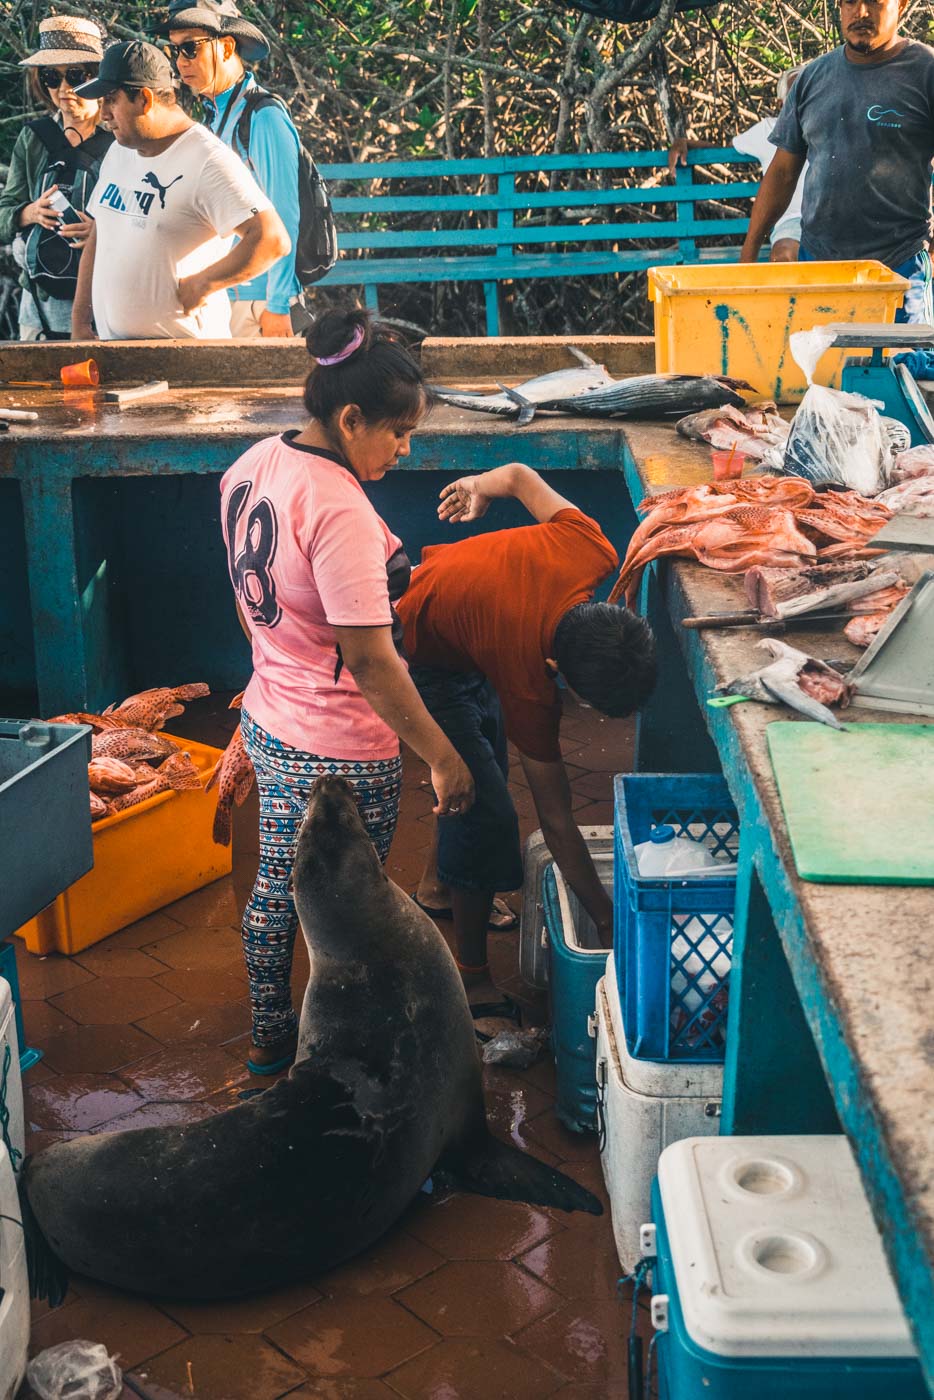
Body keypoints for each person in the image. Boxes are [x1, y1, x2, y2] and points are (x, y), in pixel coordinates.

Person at [220, 308, 474, 1073]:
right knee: (352, 912)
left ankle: (269, 1038)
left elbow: (247, 601)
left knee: (274, 892)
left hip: (270, 719)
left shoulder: (252, 465)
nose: (405, 448)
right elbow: (371, 662)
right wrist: (441, 757)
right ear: (351, 415)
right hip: (340, 749)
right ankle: (349, 1051)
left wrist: (271, 672)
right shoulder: (340, 512)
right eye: (397, 432)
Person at [398, 466, 657, 1006]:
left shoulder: (591, 547)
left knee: (487, 747)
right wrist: (606, 921)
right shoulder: (526, 682)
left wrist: (478, 488)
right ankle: (471, 979)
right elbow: (556, 819)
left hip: (461, 606)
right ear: (556, 670)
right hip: (419, 644)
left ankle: (437, 888)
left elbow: (516, 476)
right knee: (482, 808)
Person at [70, 39, 289, 340]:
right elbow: (100, 231)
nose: (103, 112)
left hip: (187, 359)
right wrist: (80, 321)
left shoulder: (207, 159)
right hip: (115, 353)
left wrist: (205, 283)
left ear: (145, 99)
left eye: (111, 99)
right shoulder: (120, 150)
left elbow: (272, 239)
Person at [740, 0, 934, 323]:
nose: (860, 13)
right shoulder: (812, 79)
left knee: (906, 369)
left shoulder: (925, 71)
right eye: (849, 2)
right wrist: (747, 258)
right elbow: (782, 174)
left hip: (900, 269)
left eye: (873, 1)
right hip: (819, 269)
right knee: (816, 371)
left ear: (900, 5)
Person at [164, 0, 300, 338]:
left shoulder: (263, 116)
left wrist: (278, 305)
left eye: (190, 48)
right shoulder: (212, 116)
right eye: (175, 50)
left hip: (258, 303)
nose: (181, 61)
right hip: (223, 296)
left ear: (226, 47)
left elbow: (285, 215)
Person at [0, 16, 111, 340]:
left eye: (76, 76)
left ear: (97, 78)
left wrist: (101, 232)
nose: (64, 89)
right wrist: (29, 213)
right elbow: (5, 211)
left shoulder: (121, 139)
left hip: (103, 301)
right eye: (52, 76)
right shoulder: (33, 137)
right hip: (39, 304)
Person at [732, 66, 807, 263]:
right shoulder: (768, 130)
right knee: (785, 254)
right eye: (794, 97)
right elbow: (725, 148)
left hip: (832, 220)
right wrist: (686, 144)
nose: (802, 102)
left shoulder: (830, 127)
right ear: (781, 104)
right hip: (792, 222)